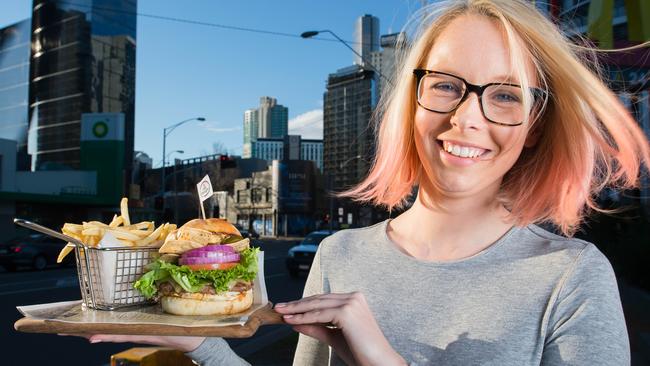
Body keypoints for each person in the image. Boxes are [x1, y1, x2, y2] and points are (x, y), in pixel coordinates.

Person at [73, 0, 650, 364]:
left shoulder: (571, 278)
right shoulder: (339, 253)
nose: (466, 117)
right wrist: (201, 344)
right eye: (447, 84)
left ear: (535, 125)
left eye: (505, 95)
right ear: (410, 101)